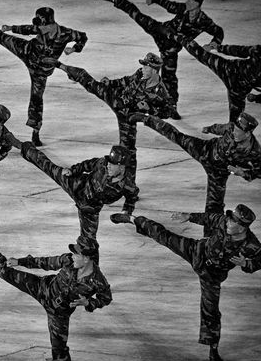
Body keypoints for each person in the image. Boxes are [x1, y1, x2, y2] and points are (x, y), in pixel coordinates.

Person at [110, 205, 260, 361]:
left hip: (212, 275)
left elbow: (258, 262)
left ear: (242, 228)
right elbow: (208, 218)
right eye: (229, 219)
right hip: (197, 252)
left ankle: (213, 349)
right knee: (165, 236)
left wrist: (246, 263)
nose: (228, 223)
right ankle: (133, 219)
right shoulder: (223, 221)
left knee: (211, 311)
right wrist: (189, 216)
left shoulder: (251, 245)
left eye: (233, 222)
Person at [57, 52, 174, 207]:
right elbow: (126, 81)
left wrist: (150, 110)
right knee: (91, 84)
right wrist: (110, 83)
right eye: (143, 65)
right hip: (118, 99)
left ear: (154, 69)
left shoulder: (160, 91)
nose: (143, 68)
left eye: (146, 66)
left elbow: (168, 111)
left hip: (129, 116)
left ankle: (130, 190)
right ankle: (61, 66)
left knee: (128, 153)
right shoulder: (140, 74)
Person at [96, 0, 224, 118]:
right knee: (140, 18)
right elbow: (169, 5)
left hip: (171, 48)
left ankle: (172, 107)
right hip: (162, 32)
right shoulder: (183, 8)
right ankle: (117, 1)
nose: (187, 1)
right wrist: (155, 0)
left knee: (169, 77)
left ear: (197, 3)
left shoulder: (203, 21)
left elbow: (219, 31)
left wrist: (213, 44)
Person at [130, 111, 260, 235]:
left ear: (248, 133)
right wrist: (209, 129)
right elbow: (219, 128)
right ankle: (146, 119)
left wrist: (242, 173)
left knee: (214, 206)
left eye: (239, 131)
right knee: (177, 136)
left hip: (218, 172)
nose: (234, 132)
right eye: (235, 129)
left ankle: (209, 239)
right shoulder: (231, 127)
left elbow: (258, 171)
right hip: (205, 150)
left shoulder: (254, 151)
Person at [0, 10, 86, 146]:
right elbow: (27, 29)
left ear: (50, 25)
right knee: (1, 37)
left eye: (41, 26)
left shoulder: (66, 34)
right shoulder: (41, 29)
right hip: (27, 51)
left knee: (36, 100)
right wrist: (11, 28)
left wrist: (74, 49)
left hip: (40, 71)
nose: (38, 29)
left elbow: (82, 37)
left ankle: (35, 133)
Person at [8, 133, 136, 244]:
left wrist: (126, 212)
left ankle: (92, 270)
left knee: (89, 242)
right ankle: (25, 147)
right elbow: (87, 165)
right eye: (108, 162)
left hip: (89, 208)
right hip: (76, 185)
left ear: (122, 167)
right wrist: (72, 170)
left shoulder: (127, 184)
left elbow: (132, 198)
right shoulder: (102, 164)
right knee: (47, 165)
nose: (108, 165)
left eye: (112, 164)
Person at [179, 39, 261, 123]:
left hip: (232, 74)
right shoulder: (258, 51)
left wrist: (219, 47)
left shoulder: (258, 50)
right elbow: (239, 50)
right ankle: (181, 38)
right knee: (236, 120)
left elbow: (240, 51)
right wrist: (219, 47)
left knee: (203, 55)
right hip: (234, 77)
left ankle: (182, 38)